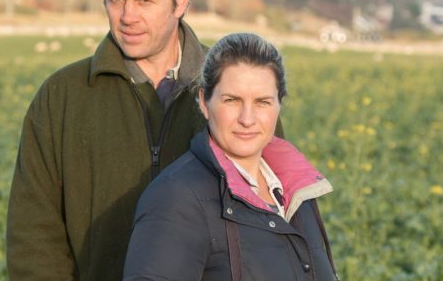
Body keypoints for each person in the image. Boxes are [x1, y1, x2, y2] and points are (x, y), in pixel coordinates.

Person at [6, 0, 209, 280]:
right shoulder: (62, 96)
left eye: (144, 0)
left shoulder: (233, 92)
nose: (127, 16)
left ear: (182, 0)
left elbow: (267, 227)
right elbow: (33, 237)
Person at [123, 33, 339, 281]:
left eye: (262, 102)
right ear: (204, 101)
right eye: (232, 100)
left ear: (280, 104)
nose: (247, 119)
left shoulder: (297, 192)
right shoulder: (177, 198)